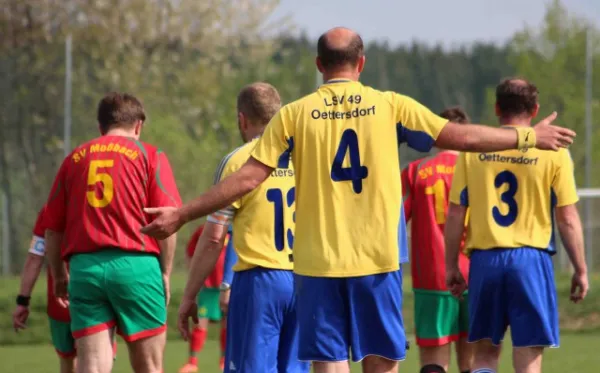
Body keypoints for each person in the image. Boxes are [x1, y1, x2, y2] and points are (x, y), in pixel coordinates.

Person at [141, 28, 575, 373]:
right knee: (382, 360)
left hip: (317, 265)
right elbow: (456, 136)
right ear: (361, 63)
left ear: (318, 65)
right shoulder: (390, 105)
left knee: (328, 361)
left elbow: (247, 177)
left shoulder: (293, 114)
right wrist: (527, 137)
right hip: (376, 261)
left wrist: (182, 214)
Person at [445, 78, 589, 373]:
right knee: (528, 354)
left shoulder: (473, 152)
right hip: (531, 260)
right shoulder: (554, 151)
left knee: (484, 355)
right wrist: (581, 269)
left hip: (486, 260)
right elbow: (568, 219)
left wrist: (451, 266)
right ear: (535, 110)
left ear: (497, 108)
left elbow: (456, 213)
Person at [43, 92, 181, 373]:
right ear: (139, 125)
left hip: (85, 270)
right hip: (137, 266)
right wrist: (165, 272)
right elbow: (167, 221)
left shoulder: (74, 159)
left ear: (100, 126)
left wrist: (59, 274)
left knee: (92, 366)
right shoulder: (150, 155)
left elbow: (53, 229)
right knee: (150, 367)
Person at [176, 82, 309, 373]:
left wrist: (189, 296)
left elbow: (214, 237)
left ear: (242, 119)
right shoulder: (307, 158)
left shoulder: (238, 161)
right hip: (306, 280)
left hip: (260, 282)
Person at [401, 106, 473, 373]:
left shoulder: (415, 171)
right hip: (476, 273)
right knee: (474, 361)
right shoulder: (478, 169)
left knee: (434, 361)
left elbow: (396, 222)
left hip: (433, 275)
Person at [12, 207, 118, 373]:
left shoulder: (49, 212)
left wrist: (23, 300)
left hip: (60, 302)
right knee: (97, 360)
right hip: (96, 298)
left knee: (69, 362)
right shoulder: (101, 206)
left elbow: (35, 257)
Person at [179, 223, 230, 373]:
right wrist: (194, 275)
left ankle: (224, 361)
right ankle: (192, 363)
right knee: (200, 322)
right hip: (208, 286)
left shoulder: (235, 228)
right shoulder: (204, 229)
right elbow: (190, 252)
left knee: (228, 325)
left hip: (228, 286)